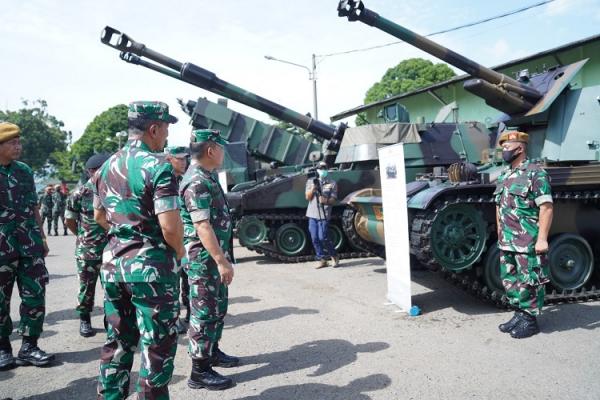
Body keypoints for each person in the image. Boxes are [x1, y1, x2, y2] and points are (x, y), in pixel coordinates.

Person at [93, 101, 185, 399]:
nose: (167, 136)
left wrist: (125, 236)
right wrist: (180, 254)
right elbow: (170, 226)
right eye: (166, 129)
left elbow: (98, 216)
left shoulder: (106, 166)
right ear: (153, 128)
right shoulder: (159, 166)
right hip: (152, 271)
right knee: (156, 346)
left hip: (113, 268)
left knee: (118, 342)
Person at [180, 129, 238, 391]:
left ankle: (212, 352)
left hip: (213, 257)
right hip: (204, 258)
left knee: (217, 307)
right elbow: (202, 226)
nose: (223, 153)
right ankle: (199, 371)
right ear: (211, 150)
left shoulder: (207, 177)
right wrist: (220, 260)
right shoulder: (196, 181)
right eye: (221, 148)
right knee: (203, 311)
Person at [0, 122, 54, 369]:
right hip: (2, 248)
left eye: (19, 141)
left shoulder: (24, 171)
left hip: (29, 244)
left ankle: (29, 346)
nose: (18, 146)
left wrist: (42, 237)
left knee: (35, 294)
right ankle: (3, 349)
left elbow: (34, 206)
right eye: (13, 142)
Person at [494, 131, 553, 339]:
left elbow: (546, 207)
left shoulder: (536, 173)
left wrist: (542, 238)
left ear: (519, 148)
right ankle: (519, 313)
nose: (504, 151)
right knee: (510, 278)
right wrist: (500, 231)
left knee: (529, 279)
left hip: (527, 239)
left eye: (507, 148)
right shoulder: (504, 175)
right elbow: (498, 206)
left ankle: (530, 320)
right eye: (503, 148)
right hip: (508, 240)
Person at [65, 153, 110, 338]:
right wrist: (83, 236)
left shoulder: (115, 190)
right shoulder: (80, 192)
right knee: (86, 287)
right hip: (87, 250)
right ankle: (85, 320)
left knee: (112, 289)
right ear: (90, 171)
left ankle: (111, 321)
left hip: (111, 249)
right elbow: (69, 220)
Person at [164, 146, 192, 334]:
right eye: (179, 159)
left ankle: (190, 313)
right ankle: (173, 319)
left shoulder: (185, 180)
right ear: (169, 159)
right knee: (171, 282)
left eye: (185, 159)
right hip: (170, 238)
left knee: (188, 280)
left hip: (186, 237)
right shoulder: (164, 180)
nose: (183, 162)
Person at [305, 161, 339, 269]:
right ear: (317, 170)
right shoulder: (311, 181)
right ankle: (322, 259)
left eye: (324, 168)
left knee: (323, 237)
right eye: (320, 168)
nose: (322, 170)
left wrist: (325, 200)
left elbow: (333, 199)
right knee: (314, 237)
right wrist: (313, 188)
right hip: (312, 214)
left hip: (324, 214)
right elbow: (308, 197)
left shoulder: (332, 183)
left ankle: (334, 256)